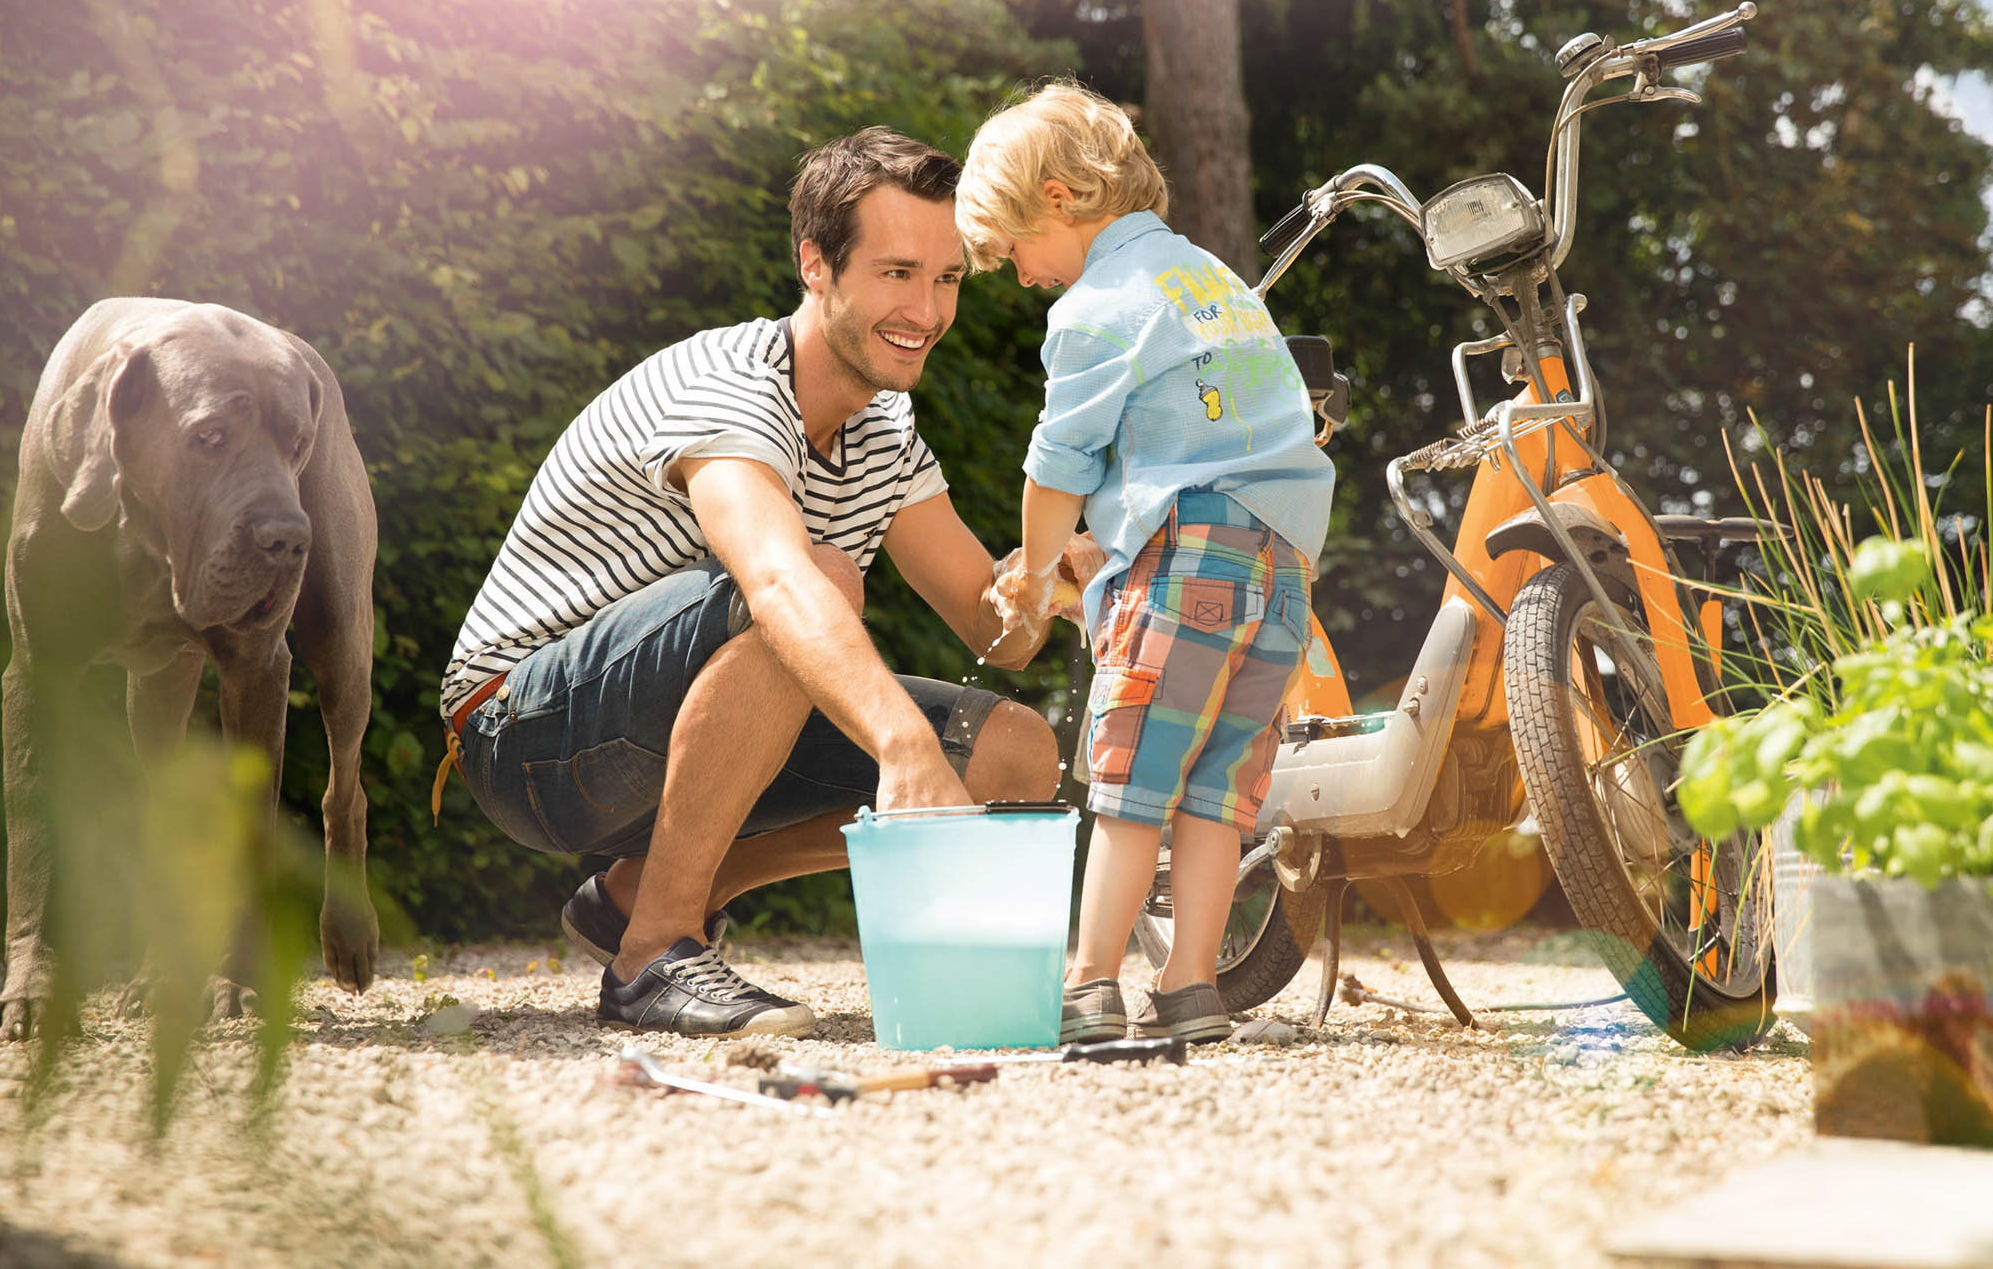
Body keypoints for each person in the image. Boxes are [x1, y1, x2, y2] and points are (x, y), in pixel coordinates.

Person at [439, 127, 1094, 1038]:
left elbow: (998, 634)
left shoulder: (885, 430)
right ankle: (652, 957)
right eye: (897, 272)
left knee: (1015, 754)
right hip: (521, 731)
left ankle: (649, 892)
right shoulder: (732, 388)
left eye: (947, 279)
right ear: (816, 265)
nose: (928, 309)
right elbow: (781, 584)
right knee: (818, 584)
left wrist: (1045, 575)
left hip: (696, 714)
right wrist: (905, 747)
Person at [960, 83, 1334, 1044]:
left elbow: (1060, 461)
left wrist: (1041, 574)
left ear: (1057, 197)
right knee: (1218, 788)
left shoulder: (1097, 304)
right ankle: (1190, 986)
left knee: (1131, 781)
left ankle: (1089, 985)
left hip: (1191, 558)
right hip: (1284, 567)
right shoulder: (1211, 281)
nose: (1018, 275)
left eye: (1011, 249)